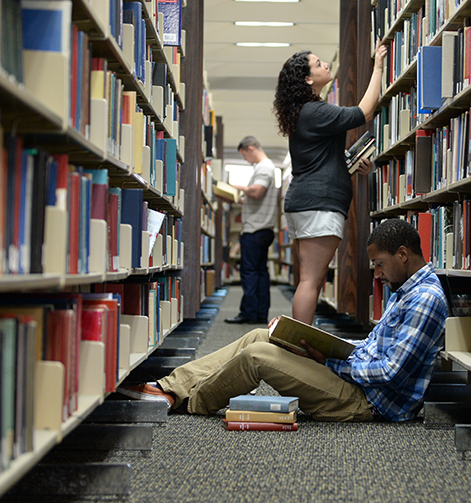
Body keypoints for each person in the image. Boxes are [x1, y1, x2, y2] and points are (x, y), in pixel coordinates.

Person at [117, 219, 449, 422]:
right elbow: (375, 346)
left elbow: (390, 373)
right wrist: (328, 344)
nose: (376, 274)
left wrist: (330, 361)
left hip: (370, 402)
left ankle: (192, 402)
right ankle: (168, 388)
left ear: (403, 254)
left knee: (256, 358)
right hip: (358, 381)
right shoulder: (405, 288)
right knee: (260, 336)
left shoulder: (426, 299)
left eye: (379, 264)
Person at [273, 41, 388, 324]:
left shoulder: (307, 112)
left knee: (310, 279)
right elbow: (365, 112)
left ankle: (299, 342)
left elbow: (321, 159)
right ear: (308, 79)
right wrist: (379, 67)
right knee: (310, 281)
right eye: (318, 63)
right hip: (318, 204)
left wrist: (349, 163)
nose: (326, 65)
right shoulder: (314, 111)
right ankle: (296, 347)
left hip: (308, 201)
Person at [225, 136, 277, 324]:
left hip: (255, 229)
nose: (246, 160)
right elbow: (256, 199)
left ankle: (249, 313)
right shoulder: (267, 167)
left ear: (250, 148)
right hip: (264, 227)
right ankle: (259, 313)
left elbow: (256, 192)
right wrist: (235, 199)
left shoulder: (264, 167)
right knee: (260, 272)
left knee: (250, 272)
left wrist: (235, 187)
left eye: (245, 156)